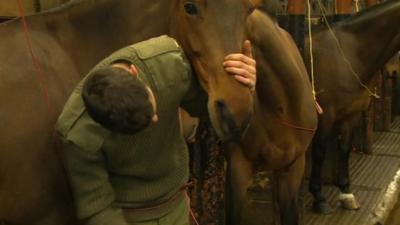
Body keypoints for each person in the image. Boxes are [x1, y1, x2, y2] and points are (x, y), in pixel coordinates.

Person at [56, 35, 256, 225]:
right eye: (141, 124)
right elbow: (97, 207)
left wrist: (240, 85)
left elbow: (206, 107)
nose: (156, 119)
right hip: (129, 217)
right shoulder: (78, 134)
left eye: (152, 109)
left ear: (135, 72)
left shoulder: (168, 64)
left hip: (177, 202)